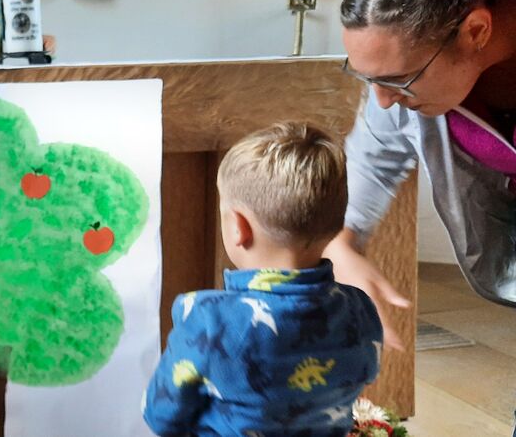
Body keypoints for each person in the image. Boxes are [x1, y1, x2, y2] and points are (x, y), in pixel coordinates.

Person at [143, 123, 383, 435]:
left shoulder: (206, 317)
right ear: (337, 225)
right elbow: (366, 373)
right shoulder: (360, 307)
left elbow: (161, 415)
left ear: (239, 227)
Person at [328, 0, 516, 350]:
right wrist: (343, 243)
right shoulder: (409, 70)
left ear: (476, 31)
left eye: (399, 80)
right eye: (372, 81)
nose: (384, 102)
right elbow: (374, 159)